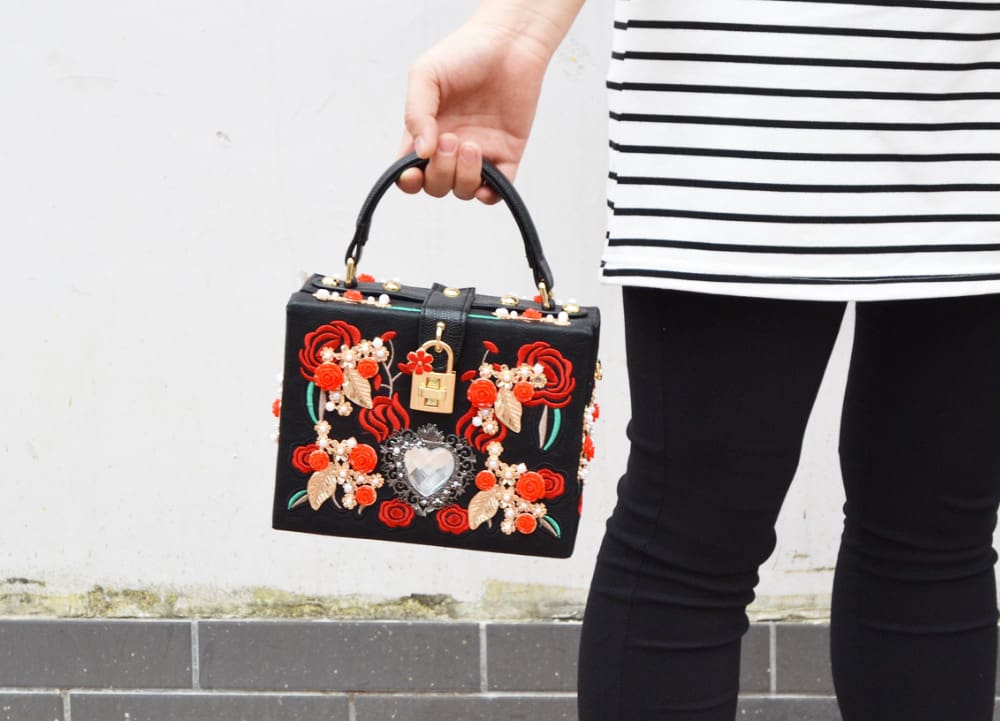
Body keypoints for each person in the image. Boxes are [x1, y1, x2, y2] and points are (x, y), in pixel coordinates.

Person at [396, 1, 1000, 719]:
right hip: (744, 83)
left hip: (979, 96)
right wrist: (518, 30)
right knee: (695, 538)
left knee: (937, 537)